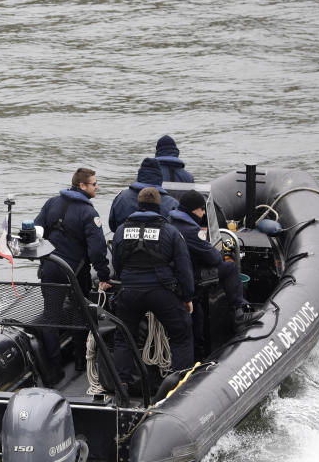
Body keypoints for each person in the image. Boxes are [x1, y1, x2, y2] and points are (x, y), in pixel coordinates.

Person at [111, 187, 195, 389]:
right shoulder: (170, 231)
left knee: (123, 337)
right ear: (159, 207)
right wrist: (187, 296)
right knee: (181, 334)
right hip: (162, 292)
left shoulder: (122, 230)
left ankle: (121, 384)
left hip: (129, 291)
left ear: (137, 205)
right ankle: (179, 385)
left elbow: (117, 263)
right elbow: (184, 268)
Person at [34, 167, 112, 380]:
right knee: (81, 315)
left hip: (50, 268)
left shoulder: (52, 203)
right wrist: (104, 275)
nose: (97, 187)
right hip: (75, 273)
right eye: (94, 184)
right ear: (82, 186)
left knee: (50, 317)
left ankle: (55, 371)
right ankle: (80, 362)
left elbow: (35, 231)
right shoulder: (89, 212)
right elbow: (97, 249)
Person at [168, 190, 258, 354]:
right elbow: (214, 258)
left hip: (172, 276)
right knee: (230, 269)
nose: (203, 213)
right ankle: (239, 312)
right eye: (202, 209)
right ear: (194, 210)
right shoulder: (191, 230)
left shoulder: (171, 222)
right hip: (189, 278)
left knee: (198, 316)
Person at [108, 157, 181, 232]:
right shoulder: (172, 203)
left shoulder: (121, 197)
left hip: (123, 241)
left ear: (140, 173)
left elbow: (113, 226)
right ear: (159, 176)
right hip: (162, 242)